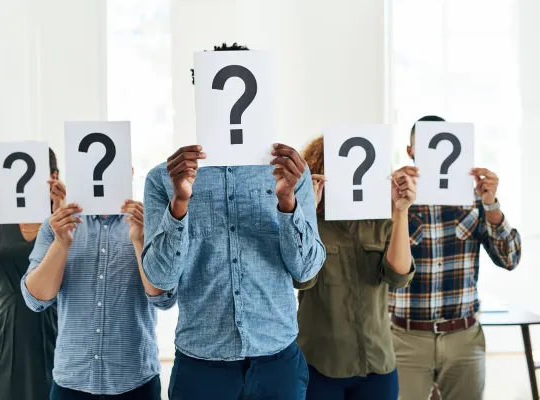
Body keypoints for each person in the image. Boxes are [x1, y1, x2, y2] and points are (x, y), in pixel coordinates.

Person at [142, 43, 326, 400]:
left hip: (277, 361)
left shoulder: (292, 172)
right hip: (201, 365)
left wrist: (287, 202)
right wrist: (180, 202)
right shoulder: (163, 179)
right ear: (201, 94)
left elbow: (305, 271)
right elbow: (160, 278)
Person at [390, 115, 522, 400]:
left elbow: (510, 258)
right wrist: (394, 207)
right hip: (406, 338)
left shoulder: (474, 198)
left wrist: (492, 205)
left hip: (463, 336)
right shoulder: (394, 199)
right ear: (410, 151)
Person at [21, 183, 174, 399]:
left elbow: (165, 299)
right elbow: (35, 300)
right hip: (71, 383)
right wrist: (61, 243)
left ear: (129, 170)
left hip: (136, 382)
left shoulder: (151, 223)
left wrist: (140, 240)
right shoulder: (56, 225)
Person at [294, 136, 416, 400]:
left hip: (377, 363)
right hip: (320, 364)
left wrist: (401, 211)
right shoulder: (309, 222)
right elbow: (302, 279)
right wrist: (307, 210)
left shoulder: (380, 220)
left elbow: (398, 277)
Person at [0, 148, 65, 400]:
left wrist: (60, 208)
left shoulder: (62, 217)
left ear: (53, 175)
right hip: (8, 334)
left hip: (56, 328)